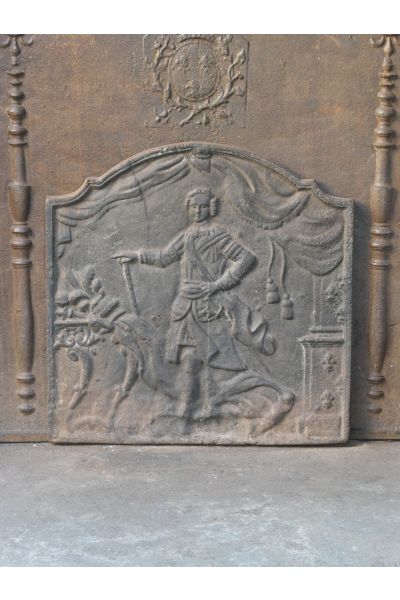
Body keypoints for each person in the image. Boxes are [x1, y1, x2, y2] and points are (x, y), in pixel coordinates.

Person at [113, 188, 275, 419]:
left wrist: (220, 284)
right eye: (194, 207)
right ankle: (193, 405)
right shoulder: (187, 236)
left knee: (204, 359)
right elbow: (165, 257)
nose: (198, 211)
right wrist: (137, 255)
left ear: (211, 208)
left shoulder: (217, 235)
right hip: (184, 306)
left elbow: (246, 258)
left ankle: (194, 407)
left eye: (202, 206)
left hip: (207, 305)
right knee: (185, 358)